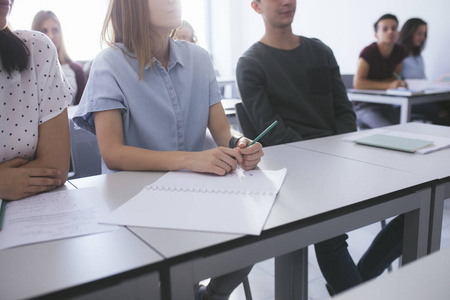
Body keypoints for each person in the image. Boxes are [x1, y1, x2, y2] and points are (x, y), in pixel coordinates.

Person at [72, 0, 263, 299]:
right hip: (135, 205)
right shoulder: (109, 63)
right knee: (173, 277)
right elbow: (113, 153)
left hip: (195, 196)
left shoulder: (199, 58)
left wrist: (239, 144)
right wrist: (190, 160)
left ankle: (212, 295)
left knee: (253, 232)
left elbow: (223, 131)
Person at [237, 0, 402, 295]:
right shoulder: (251, 63)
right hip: (297, 170)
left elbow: (343, 110)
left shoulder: (319, 51)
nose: (286, 1)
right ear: (256, 6)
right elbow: (273, 131)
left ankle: (356, 285)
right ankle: (357, 289)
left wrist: (341, 152)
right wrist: (324, 158)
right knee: (331, 235)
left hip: (340, 157)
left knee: (414, 199)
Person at [0, 0, 72, 201]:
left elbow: (55, 167)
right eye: (45, 28)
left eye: (55, 29)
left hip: (30, 217)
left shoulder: (36, 50)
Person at [353, 14, 408, 129]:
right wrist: (388, 85)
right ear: (376, 34)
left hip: (387, 105)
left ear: (398, 32)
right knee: (390, 131)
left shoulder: (400, 51)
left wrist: (397, 83)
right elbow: (358, 84)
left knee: (408, 126)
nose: (390, 32)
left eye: (394, 28)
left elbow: (395, 77)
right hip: (365, 106)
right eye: (385, 29)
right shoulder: (368, 52)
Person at [398, 18, 450, 125]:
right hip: (407, 100)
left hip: (422, 97)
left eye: (424, 34)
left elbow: (423, 80)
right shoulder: (399, 54)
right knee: (440, 111)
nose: (422, 38)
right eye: (419, 33)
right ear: (409, 33)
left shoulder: (418, 57)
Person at [32, 10, 86, 105]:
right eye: (44, 31)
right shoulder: (29, 70)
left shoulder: (76, 70)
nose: (51, 36)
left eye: (55, 30)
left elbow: (84, 108)